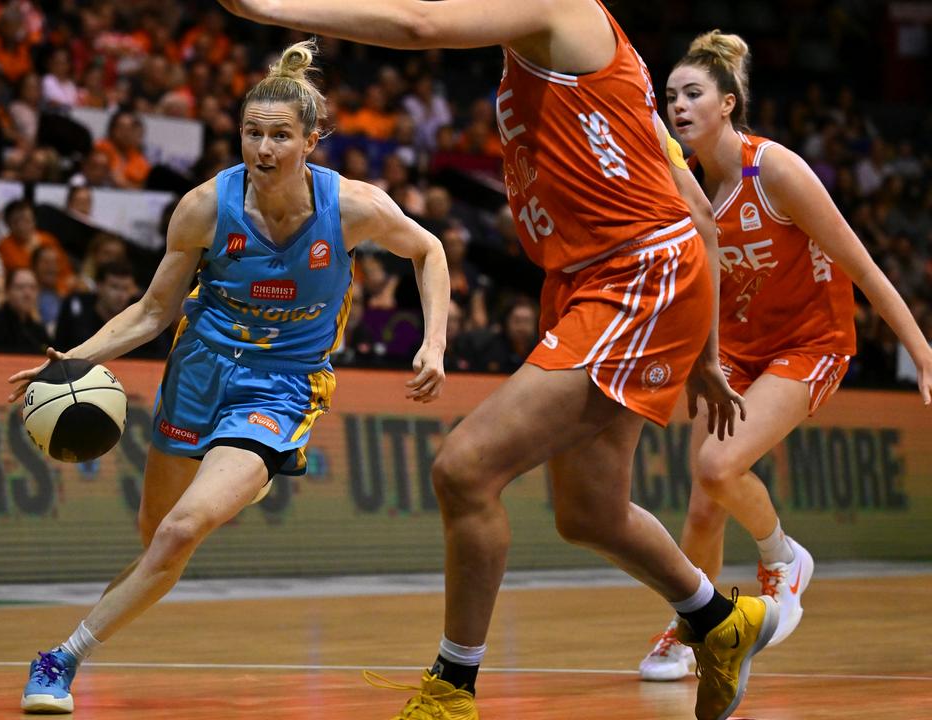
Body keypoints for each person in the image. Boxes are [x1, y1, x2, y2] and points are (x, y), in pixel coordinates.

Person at [217, 3, 772, 720]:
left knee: (465, 468)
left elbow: (418, 26)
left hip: (638, 275)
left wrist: (269, 8)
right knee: (590, 512)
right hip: (596, 280)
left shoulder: (559, 8)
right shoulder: (561, 50)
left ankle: (453, 688)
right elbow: (695, 204)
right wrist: (702, 351)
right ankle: (720, 622)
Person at [5, 40, 449, 714]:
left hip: (282, 385)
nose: (263, 149)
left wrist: (435, 342)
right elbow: (153, 310)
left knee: (183, 530)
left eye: (279, 136)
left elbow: (430, 250)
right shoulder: (204, 208)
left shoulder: (353, 207)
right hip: (198, 371)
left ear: (311, 141)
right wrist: (72, 359)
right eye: (251, 133)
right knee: (158, 537)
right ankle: (227, 482)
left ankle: (59, 659)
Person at [636, 31, 932, 682]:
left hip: (811, 341)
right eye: (669, 97)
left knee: (717, 465)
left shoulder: (772, 170)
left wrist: (921, 349)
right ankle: (694, 630)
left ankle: (782, 558)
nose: (677, 106)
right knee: (704, 503)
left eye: (693, 94)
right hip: (736, 349)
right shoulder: (682, 189)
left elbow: (862, 264)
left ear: (728, 104)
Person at [0, 267, 51, 352]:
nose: (28, 294)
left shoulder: (38, 331)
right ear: (7, 291)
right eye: (20, 287)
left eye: (33, 288)